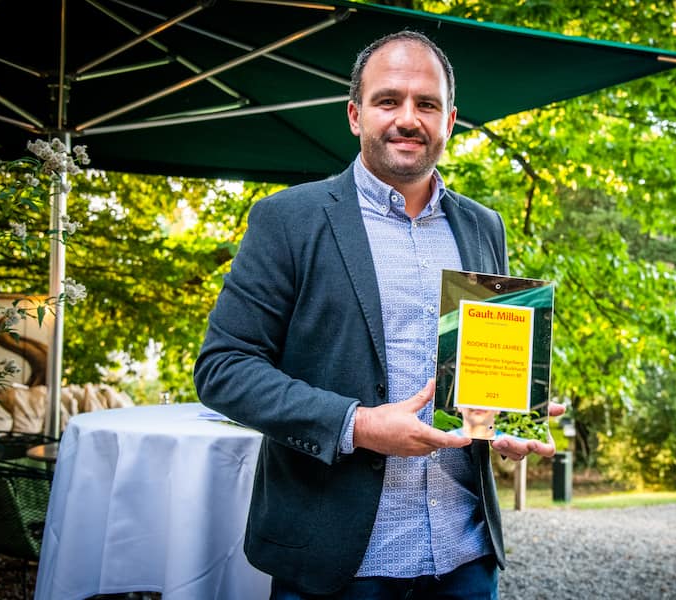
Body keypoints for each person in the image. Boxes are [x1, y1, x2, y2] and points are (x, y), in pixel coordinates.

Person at [194, 30, 561, 600]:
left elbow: (480, 370)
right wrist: (359, 426)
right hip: (335, 561)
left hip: (464, 556)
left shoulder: (483, 226)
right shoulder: (288, 220)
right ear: (355, 115)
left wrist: (511, 419)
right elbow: (224, 368)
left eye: (427, 104)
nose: (408, 118)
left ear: (450, 121)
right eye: (388, 100)